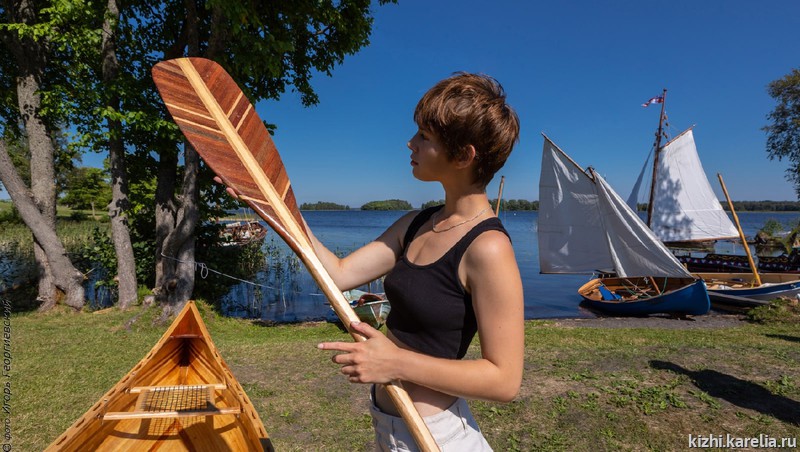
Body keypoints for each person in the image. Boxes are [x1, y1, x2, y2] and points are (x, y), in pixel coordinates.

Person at [314, 72, 524, 451]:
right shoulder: (415, 224)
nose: (410, 142)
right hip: (390, 426)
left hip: (437, 437)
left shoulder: (488, 247)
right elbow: (339, 274)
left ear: (463, 156)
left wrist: (395, 363)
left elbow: (504, 380)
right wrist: (276, 209)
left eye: (424, 136)